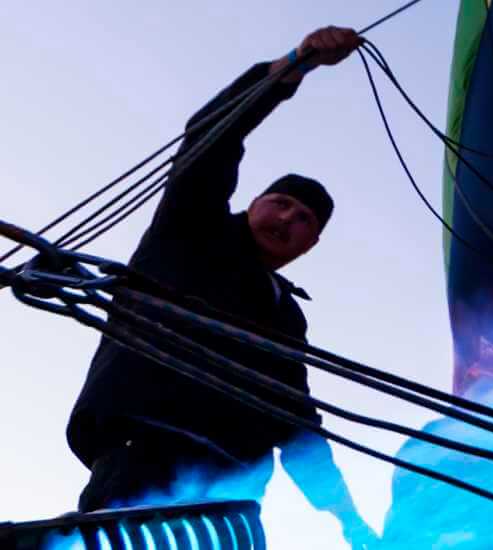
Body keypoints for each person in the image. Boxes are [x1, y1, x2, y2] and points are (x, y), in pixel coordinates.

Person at [63, 26, 376, 548]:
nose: (287, 217)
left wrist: (345, 517)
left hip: (232, 493)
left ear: (311, 244)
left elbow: (294, 419)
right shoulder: (189, 230)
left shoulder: (284, 315)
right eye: (280, 202)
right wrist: (293, 64)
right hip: (147, 450)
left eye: (303, 219)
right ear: (252, 202)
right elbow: (212, 136)